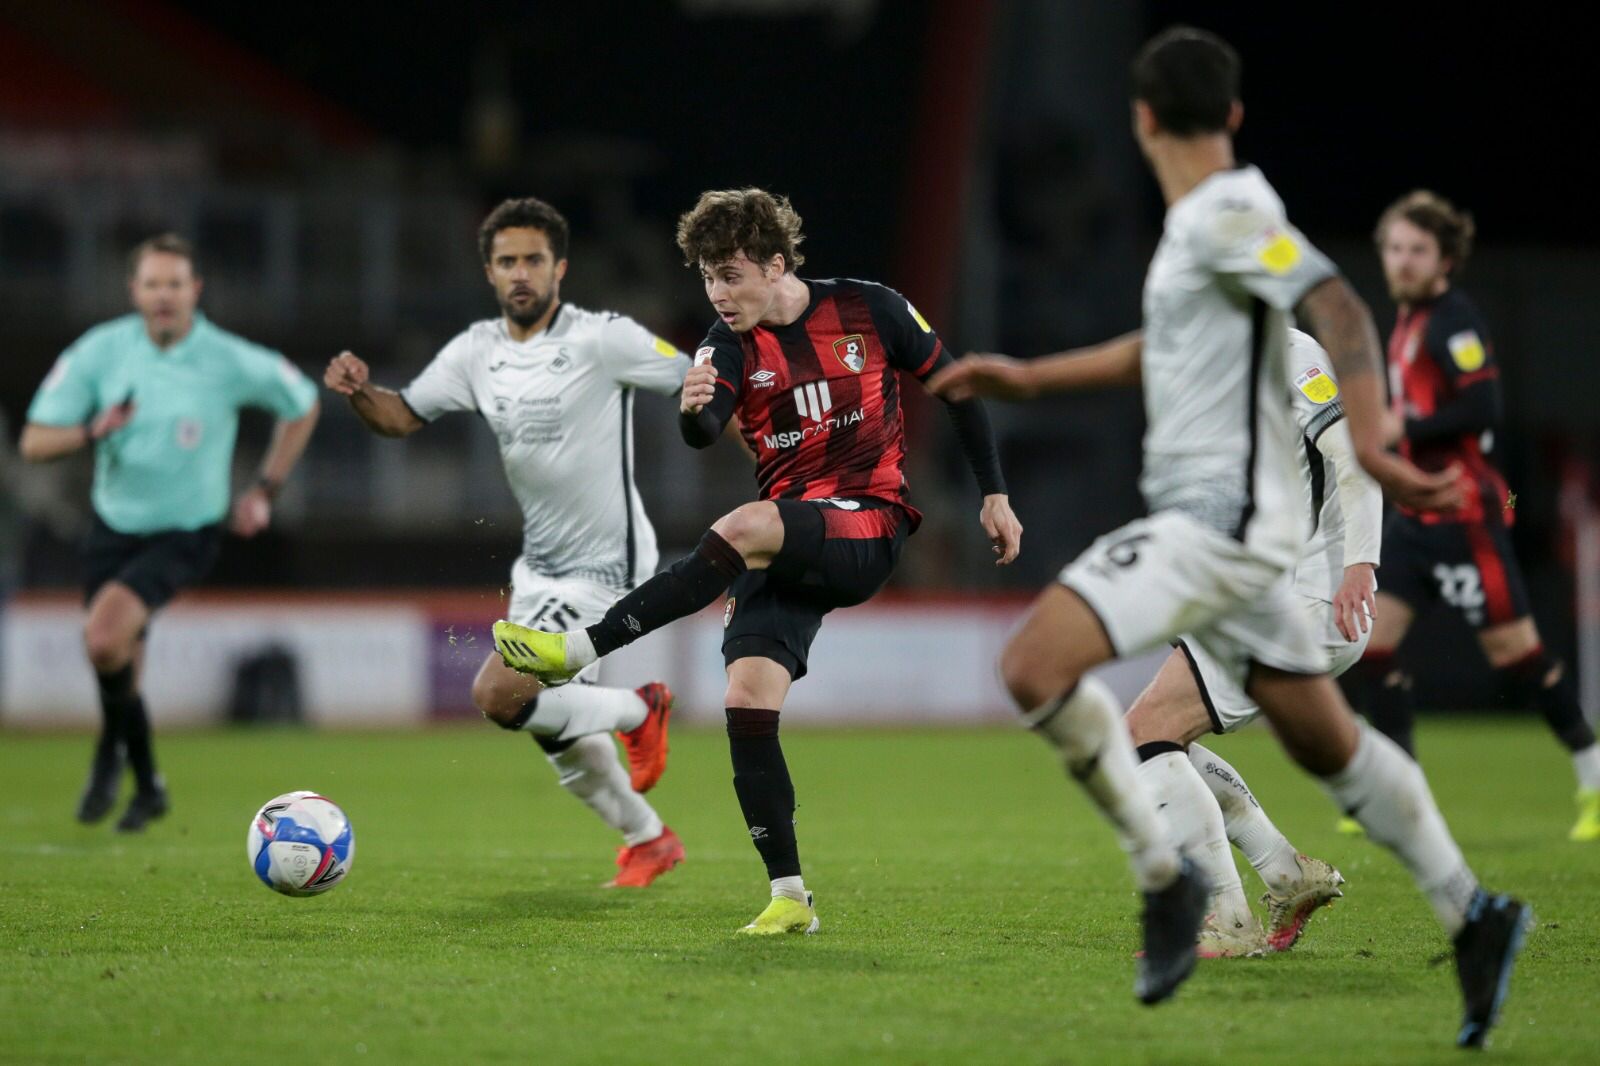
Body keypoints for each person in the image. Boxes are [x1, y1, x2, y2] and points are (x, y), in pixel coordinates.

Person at [931, 28, 1529, 1046]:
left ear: (1142, 118)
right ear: (1234, 113)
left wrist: (1372, 475)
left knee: (1058, 679)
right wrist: (1028, 378)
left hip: (1232, 546)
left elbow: (1338, 307)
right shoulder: (1203, 235)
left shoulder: (1225, 211)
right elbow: (1158, 350)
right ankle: (1470, 911)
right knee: (1329, 748)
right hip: (1233, 551)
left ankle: (1190, 897)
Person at [493, 187, 1022, 934]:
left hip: (870, 522)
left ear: (777, 265)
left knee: (743, 524)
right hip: (791, 539)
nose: (719, 293)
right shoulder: (726, 344)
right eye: (708, 277)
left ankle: (575, 649)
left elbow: (959, 390)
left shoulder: (871, 310)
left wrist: (994, 495)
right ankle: (789, 898)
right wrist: (693, 410)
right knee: (746, 699)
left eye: (732, 274)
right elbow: (706, 428)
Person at [937, 330, 1377, 957]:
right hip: (1262, 595)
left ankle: (1226, 918)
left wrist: (1362, 564)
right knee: (1149, 736)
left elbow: (1352, 457)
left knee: (1147, 734)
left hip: (1309, 601)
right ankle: (1284, 873)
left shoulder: (1291, 353)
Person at [325, 197, 687, 887]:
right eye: (507, 261)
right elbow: (401, 417)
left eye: (533, 260)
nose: (521, 273)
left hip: (605, 564)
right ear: (489, 272)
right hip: (540, 570)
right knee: (558, 735)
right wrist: (359, 391)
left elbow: (700, 379)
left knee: (499, 695)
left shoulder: (603, 339)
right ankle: (649, 839)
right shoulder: (476, 351)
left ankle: (643, 708)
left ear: (561, 268)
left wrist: (767, 453)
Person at [20, 233, 320, 832]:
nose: (164, 295)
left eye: (175, 284)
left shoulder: (225, 357)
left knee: (104, 639)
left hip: (187, 532)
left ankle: (114, 759)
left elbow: (302, 401)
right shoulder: (100, 352)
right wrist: (91, 431)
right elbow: (33, 442)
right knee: (120, 660)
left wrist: (265, 489)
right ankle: (148, 782)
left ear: (195, 291)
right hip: (112, 527)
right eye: (152, 284)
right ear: (134, 291)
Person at [1345, 190, 1600, 842]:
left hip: (1466, 509)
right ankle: (1399, 797)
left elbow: (1483, 409)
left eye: (1417, 251)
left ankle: (1594, 777)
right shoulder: (1405, 319)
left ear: (1446, 260)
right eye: (1395, 248)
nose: (1402, 261)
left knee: (1518, 655)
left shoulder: (1452, 321)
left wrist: (1406, 423)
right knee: (1372, 645)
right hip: (1414, 514)